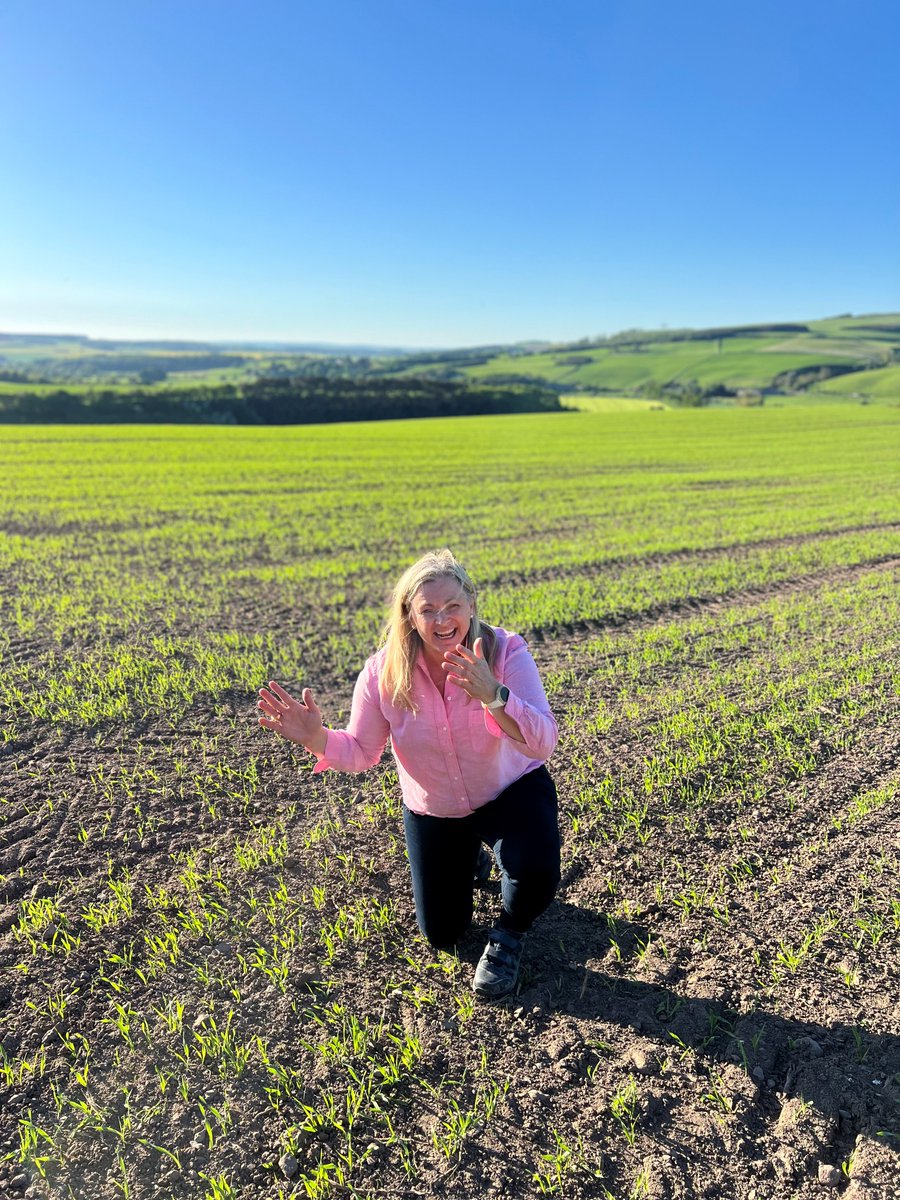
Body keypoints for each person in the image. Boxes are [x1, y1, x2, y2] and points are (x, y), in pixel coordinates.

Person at [257, 549, 560, 999]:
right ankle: (471, 858)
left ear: (471, 605)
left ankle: (509, 935)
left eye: (453, 606)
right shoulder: (384, 672)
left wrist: (493, 694)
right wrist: (315, 738)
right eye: (428, 610)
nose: (443, 619)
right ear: (410, 616)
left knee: (533, 870)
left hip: (508, 790)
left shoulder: (504, 652)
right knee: (442, 934)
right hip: (435, 807)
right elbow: (361, 751)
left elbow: (543, 741)